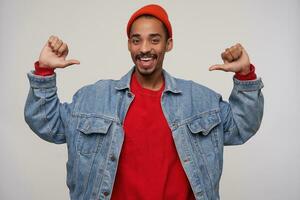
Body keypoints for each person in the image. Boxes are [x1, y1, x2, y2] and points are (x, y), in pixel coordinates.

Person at [24, 4, 264, 200]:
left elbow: (241, 127)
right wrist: (44, 71)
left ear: (168, 44)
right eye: (136, 40)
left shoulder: (199, 100)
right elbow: (49, 125)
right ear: (129, 44)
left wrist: (244, 76)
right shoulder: (94, 98)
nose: (145, 48)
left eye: (154, 40)